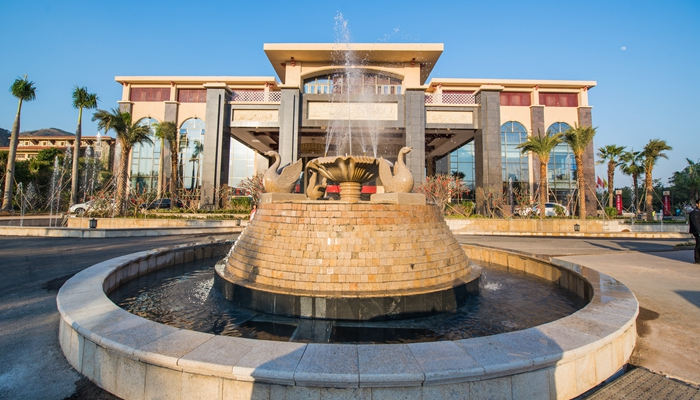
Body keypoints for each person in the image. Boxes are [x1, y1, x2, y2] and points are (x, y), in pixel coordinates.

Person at [689, 199, 700, 264]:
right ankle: (698, 259)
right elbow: (696, 223)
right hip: (698, 232)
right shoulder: (695, 212)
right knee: (699, 245)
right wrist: (698, 231)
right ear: (697, 204)